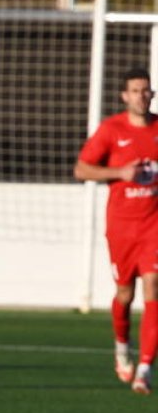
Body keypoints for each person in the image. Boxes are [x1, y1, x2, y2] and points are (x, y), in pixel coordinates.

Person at [74, 66, 158, 395]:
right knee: (125, 294)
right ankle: (122, 348)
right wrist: (120, 172)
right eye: (136, 90)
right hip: (122, 229)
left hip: (154, 226)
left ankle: (145, 368)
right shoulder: (112, 130)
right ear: (124, 96)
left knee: (153, 286)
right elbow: (81, 169)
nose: (142, 95)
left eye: (147, 90)